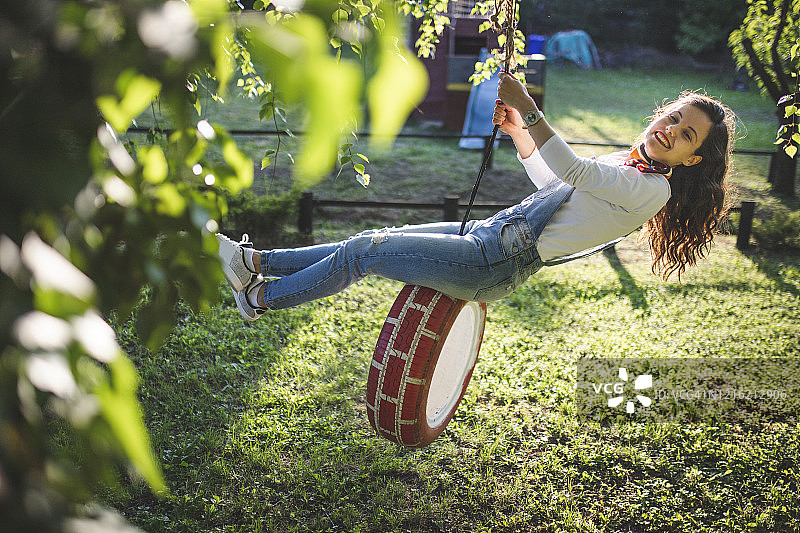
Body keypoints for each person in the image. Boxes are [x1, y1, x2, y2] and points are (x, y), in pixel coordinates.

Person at [217, 73, 737, 321]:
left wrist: (528, 107)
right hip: (492, 234)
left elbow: (573, 169)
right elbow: (553, 184)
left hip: (495, 262)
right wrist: (519, 133)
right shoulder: (627, 163)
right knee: (370, 239)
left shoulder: (650, 190)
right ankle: (254, 262)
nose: (671, 130)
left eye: (686, 135)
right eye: (674, 118)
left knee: (363, 252)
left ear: (692, 160)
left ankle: (258, 298)